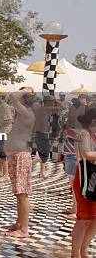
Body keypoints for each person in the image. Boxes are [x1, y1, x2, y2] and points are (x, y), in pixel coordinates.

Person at [4, 87, 37, 238]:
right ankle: (19, 223)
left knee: (22, 194)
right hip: (17, 155)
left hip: (21, 156)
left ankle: (24, 229)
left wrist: (26, 90)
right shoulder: (24, 113)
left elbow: (12, 97)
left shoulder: (27, 113)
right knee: (19, 194)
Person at [71, 106, 96, 258]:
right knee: (84, 218)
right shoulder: (83, 134)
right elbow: (86, 154)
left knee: (94, 218)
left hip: (94, 178)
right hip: (85, 178)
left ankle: (83, 250)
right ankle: (75, 253)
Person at [63, 95, 87, 216]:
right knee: (74, 185)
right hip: (70, 156)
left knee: (76, 185)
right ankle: (75, 208)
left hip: (75, 158)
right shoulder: (73, 126)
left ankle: (77, 210)